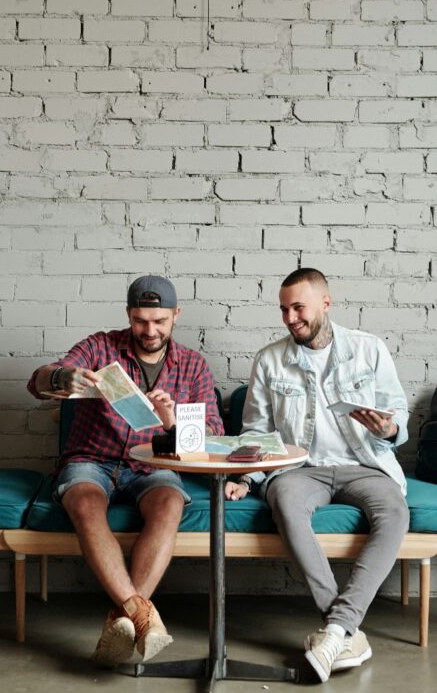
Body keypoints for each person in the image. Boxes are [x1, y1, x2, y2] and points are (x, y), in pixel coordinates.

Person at [27, 275, 224, 667]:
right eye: (140, 320)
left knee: (170, 503)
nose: (149, 330)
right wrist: (64, 378)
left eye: (159, 321)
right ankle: (140, 613)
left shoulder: (193, 365)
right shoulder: (101, 346)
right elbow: (37, 382)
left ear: (175, 315)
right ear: (128, 315)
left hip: (153, 466)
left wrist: (173, 423)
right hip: (91, 461)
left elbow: (213, 437)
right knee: (83, 502)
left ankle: (122, 619)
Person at [225, 267, 409, 683]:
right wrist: (248, 478)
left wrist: (389, 429)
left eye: (298, 307)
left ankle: (336, 630)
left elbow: (398, 415)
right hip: (299, 469)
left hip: (364, 465)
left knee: (395, 512)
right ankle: (343, 630)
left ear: (325, 303)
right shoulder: (270, 359)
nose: (290, 318)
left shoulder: (369, 350)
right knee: (286, 506)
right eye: (283, 310)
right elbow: (257, 431)